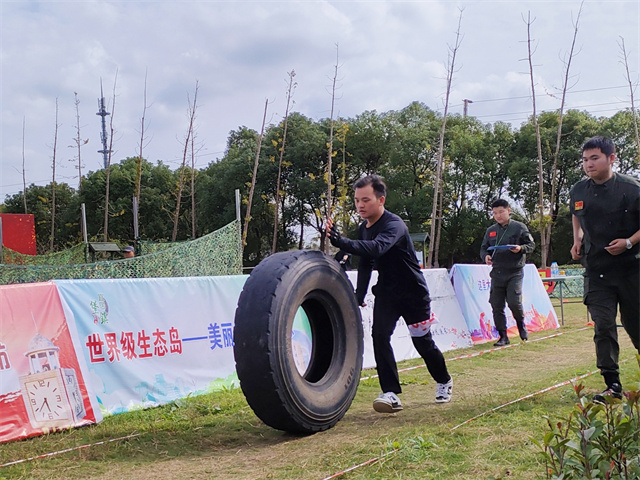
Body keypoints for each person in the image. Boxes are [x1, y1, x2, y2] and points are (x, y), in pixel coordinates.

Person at [326, 174, 453, 413]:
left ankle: (444, 380)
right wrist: (358, 296)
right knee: (379, 336)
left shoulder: (395, 225)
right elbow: (364, 263)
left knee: (422, 344)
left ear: (381, 200)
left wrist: (341, 241)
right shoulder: (363, 229)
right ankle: (391, 393)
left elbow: (377, 248)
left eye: (366, 200)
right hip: (386, 293)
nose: (360, 206)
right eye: (356, 200)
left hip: (414, 294)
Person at [570, 136, 640, 403]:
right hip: (597, 271)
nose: (588, 164)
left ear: (612, 158)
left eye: (594, 158)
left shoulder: (632, 189)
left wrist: (629, 242)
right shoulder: (578, 190)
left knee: (636, 326)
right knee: (603, 326)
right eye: (585, 160)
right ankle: (612, 385)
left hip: (631, 270)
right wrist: (577, 239)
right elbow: (576, 213)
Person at [480, 198, 535, 346]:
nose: (498, 215)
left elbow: (531, 244)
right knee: (496, 304)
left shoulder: (519, 227)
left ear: (508, 211)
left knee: (514, 302)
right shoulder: (491, 231)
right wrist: (485, 256)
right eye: (495, 213)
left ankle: (521, 326)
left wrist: (520, 249)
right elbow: (483, 248)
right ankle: (503, 336)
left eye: (501, 212)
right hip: (497, 272)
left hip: (514, 272)